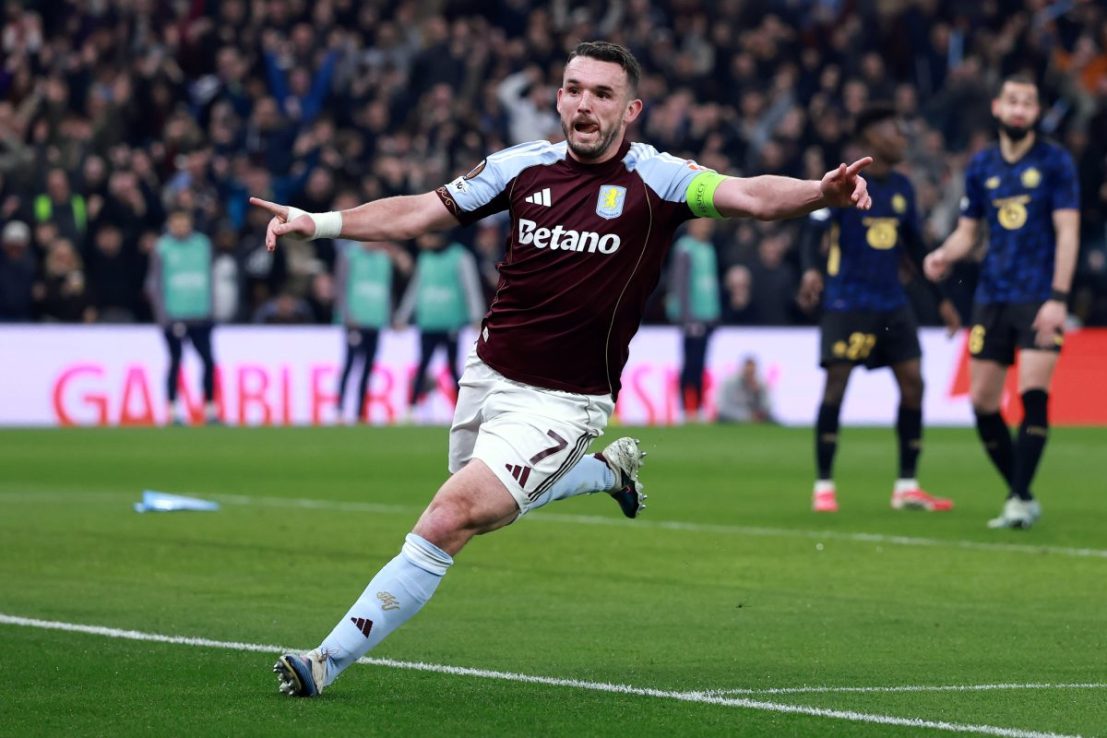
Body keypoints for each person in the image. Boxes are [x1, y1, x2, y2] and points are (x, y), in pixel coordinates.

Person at [251, 41, 872, 698]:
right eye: (574, 89)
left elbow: (748, 194)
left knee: (451, 516)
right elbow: (419, 211)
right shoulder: (520, 166)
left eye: (603, 94)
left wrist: (818, 192)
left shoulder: (660, 179)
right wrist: (317, 222)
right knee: (485, 510)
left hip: (565, 400)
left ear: (630, 110)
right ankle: (605, 472)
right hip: (488, 374)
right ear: (557, 99)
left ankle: (324, 660)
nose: (585, 104)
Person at [925, 75, 1080, 529]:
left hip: (1038, 296)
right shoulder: (981, 165)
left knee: (1033, 393)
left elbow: (1068, 232)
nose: (1019, 109)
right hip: (991, 296)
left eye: (1027, 102)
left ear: (1036, 112)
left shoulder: (1055, 162)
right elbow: (968, 232)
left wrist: (1058, 298)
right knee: (982, 402)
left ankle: (1016, 500)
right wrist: (944, 254)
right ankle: (1023, 493)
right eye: (1012, 101)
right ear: (997, 107)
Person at [798, 103, 961, 514]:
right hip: (847, 302)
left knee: (914, 384)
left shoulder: (903, 187)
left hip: (892, 303)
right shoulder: (842, 182)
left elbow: (916, 248)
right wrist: (811, 270)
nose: (902, 138)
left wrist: (942, 300)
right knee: (836, 387)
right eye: (894, 131)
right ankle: (824, 486)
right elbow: (812, 230)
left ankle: (907, 485)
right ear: (871, 138)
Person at [394, 233, 484, 420]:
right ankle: (411, 409)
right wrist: (402, 315)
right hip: (428, 322)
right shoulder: (424, 258)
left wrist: (476, 315)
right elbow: (415, 289)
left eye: (426, 237)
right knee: (422, 366)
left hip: (451, 322)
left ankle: (462, 412)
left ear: (439, 236)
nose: (421, 241)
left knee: (452, 369)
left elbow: (470, 286)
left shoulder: (460, 256)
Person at [145, 209, 219, 426]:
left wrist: (212, 311)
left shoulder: (203, 245)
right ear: (170, 224)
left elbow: (211, 279)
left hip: (200, 315)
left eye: (184, 223)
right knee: (175, 361)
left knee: (208, 361)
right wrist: (163, 317)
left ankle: (210, 409)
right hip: (174, 316)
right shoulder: (162, 247)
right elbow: (154, 284)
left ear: (190, 223)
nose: (180, 227)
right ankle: (172, 410)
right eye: (176, 223)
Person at [334, 237, 411, 424]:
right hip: (355, 322)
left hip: (375, 321)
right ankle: (340, 410)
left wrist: (391, 317)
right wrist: (347, 315)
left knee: (368, 368)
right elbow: (340, 287)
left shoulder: (384, 258)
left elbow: (387, 289)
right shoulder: (349, 254)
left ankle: (360, 412)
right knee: (350, 365)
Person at [665, 218, 720, 422]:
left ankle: (697, 407)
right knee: (691, 362)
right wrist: (686, 317)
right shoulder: (685, 248)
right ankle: (687, 408)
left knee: (700, 363)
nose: (707, 226)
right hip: (692, 316)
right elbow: (680, 284)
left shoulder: (708, 247)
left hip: (707, 315)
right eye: (703, 223)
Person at [716, 355, 774, 424]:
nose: (749, 375)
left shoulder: (761, 384)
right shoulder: (730, 383)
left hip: (755, 421)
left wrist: (758, 393)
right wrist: (747, 416)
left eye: (752, 372)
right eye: (747, 372)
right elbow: (723, 408)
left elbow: (768, 407)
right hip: (733, 420)